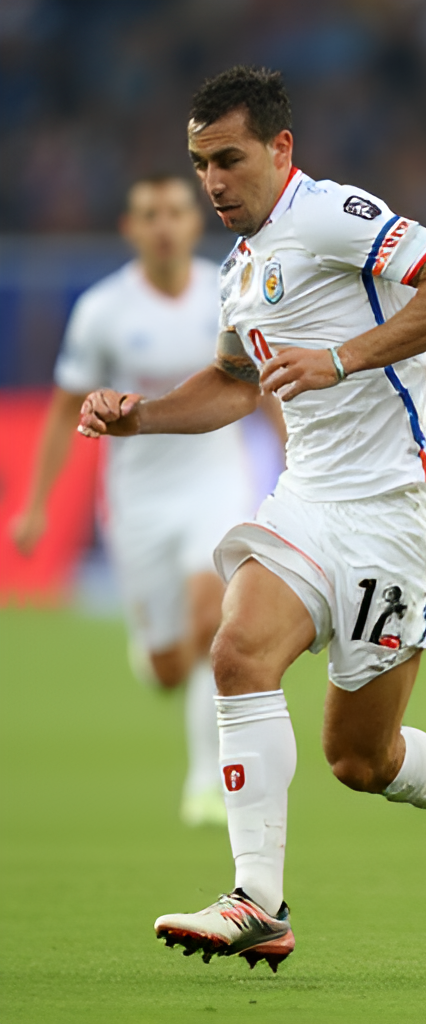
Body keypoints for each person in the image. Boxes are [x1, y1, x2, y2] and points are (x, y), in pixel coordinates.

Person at [76, 65, 426, 972]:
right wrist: (139, 415)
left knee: (361, 757)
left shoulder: (333, 215)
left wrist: (341, 358)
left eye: (228, 160)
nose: (213, 183)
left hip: (396, 507)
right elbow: (233, 385)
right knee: (236, 652)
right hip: (308, 501)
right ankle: (258, 902)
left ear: (280, 149)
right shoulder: (242, 265)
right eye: (199, 166)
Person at [10, 174, 262, 827]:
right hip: (140, 500)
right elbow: (67, 407)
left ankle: (206, 783)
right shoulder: (103, 310)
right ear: (131, 228)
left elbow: (265, 386)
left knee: (216, 624)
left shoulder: (227, 288)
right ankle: (154, 650)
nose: (164, 225)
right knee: (169, 667)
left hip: (215, 483)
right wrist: (36, 505)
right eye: (150, 214)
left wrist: (299, 457)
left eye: (175, 211)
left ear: (192, 221)